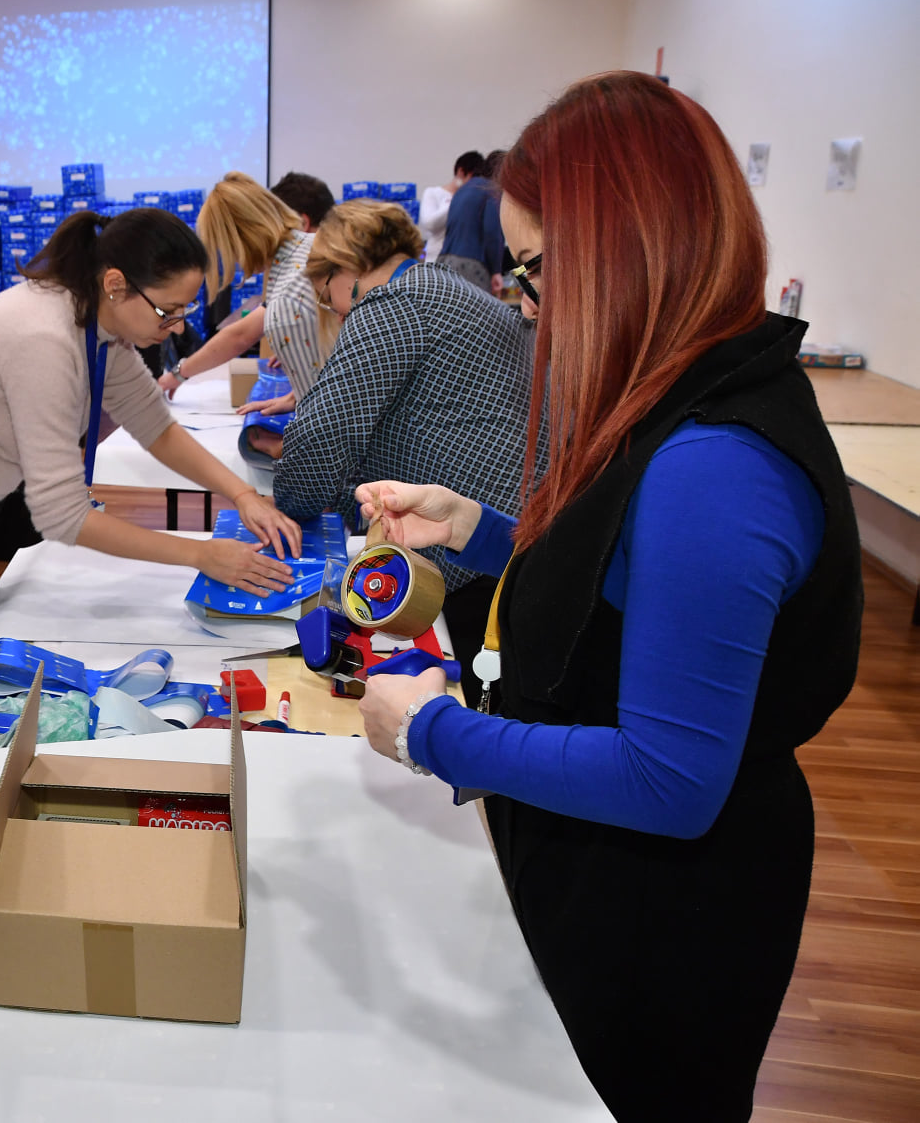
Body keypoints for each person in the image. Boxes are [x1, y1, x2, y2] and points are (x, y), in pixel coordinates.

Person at [353, 72, 861, 1122]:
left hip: (662, 919)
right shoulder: (682, 390)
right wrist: (478, 528)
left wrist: (429, 733)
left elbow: (667, 777)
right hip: (609, 874)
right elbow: (634, 588)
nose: (523, 303)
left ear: (621, 251)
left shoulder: (715, 461)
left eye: (535, 270)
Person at [0, 207, 304, 728]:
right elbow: (63, 515)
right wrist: (200, 555)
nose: (178, 326)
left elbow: (155, 425)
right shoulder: (44, 338)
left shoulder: (96, 321)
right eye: (168, 312)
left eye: (184, 310)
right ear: (116, 284)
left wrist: (243, 495)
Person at [254, 199, 532, 703]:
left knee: (470, 702)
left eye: (328, 297)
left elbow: (319, 436)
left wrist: (291, 504)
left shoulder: (394, 303)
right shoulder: (450, 288)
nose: (338, 313)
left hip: (467, 561)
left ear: (345, 269)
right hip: (510, 534)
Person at [156, 172, 318, 401]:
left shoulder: (289, 290)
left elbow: (320, 399)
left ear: (242, 238)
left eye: (226, 249)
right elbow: (240, 335)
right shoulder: (304, 250)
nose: (232, 261)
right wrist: (179, 374)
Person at [436, 151, 505, 294]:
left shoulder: (462, 190)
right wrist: (496, 270)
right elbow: (492, 232)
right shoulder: (491, 190)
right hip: (471, 267)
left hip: (443, 262)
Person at [417, 150, 484, 260]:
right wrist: (455, 202)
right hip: (436, 257)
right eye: (472, 178)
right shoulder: (432, 193)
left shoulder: (473, 199)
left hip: (463, 260)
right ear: (461, 172)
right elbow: (430, 224)